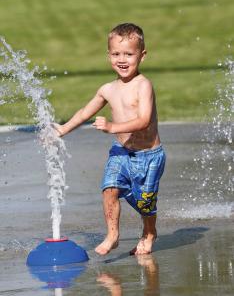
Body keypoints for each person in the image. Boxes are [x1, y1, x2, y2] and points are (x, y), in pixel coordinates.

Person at [54, 23, 166, 255]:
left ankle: (149, 232)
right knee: (110, 189)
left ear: (142, 56)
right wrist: (63, 129)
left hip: (149, 157)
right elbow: (86, 112)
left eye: (129, 54)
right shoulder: (107, 89)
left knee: (145, 203)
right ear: (109, 56)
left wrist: (113, 126)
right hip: (121, 152)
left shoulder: (143, 85)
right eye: (116, 54)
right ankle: (113, 234)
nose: (122, 59)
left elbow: (144, 120)